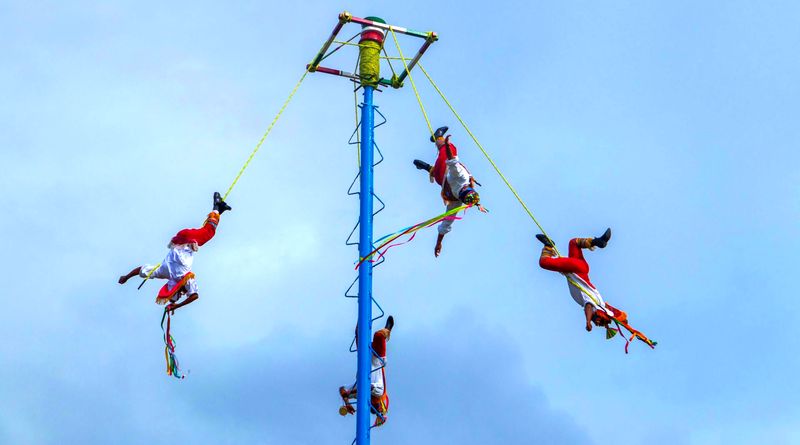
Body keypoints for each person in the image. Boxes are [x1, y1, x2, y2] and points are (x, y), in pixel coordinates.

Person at [118, 192, 231, 313]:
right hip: (180, 238)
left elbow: (194, 296)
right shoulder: (163, 272)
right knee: (207, 233)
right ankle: (220, 209)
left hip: (187, 239)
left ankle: (217, 206)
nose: (183, 293)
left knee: (208, 233)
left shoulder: (184, 278)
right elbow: (141, 269)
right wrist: (126, 277)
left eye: (181, 293)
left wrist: (176, 306)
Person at [413, 126, 486, 257]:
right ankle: (428, 168)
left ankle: (437, 137)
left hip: (444, 170)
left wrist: (446, 145)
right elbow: (446, 223)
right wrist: (439, 243)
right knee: (446, 161)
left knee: (450, 150)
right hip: (441, 180)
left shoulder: (461, 177)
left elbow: (451, 160)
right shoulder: (456, 203)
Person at [535, 229, 624, 332]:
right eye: (598, 322)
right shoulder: (594, 303)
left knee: (574, 243)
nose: (597, 323)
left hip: (582, 268)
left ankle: (598, 242)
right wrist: (588, 321)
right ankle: (548, 245)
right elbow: (589, 307)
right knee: (544, 262)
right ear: (600, 315)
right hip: (575, 269)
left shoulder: (600, 302)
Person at [339, 316, 394, 427]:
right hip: (377, 359)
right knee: (379, 335)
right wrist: (349, 395)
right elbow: (367, 386)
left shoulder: (361, 395)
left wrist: (347, 402)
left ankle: (361, 312)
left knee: (358, 331)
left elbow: (342, 389)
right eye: (378, 405)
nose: (375, 403)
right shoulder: (379, 391)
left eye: (375, 406)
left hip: (364, 357)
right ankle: (387, 329)